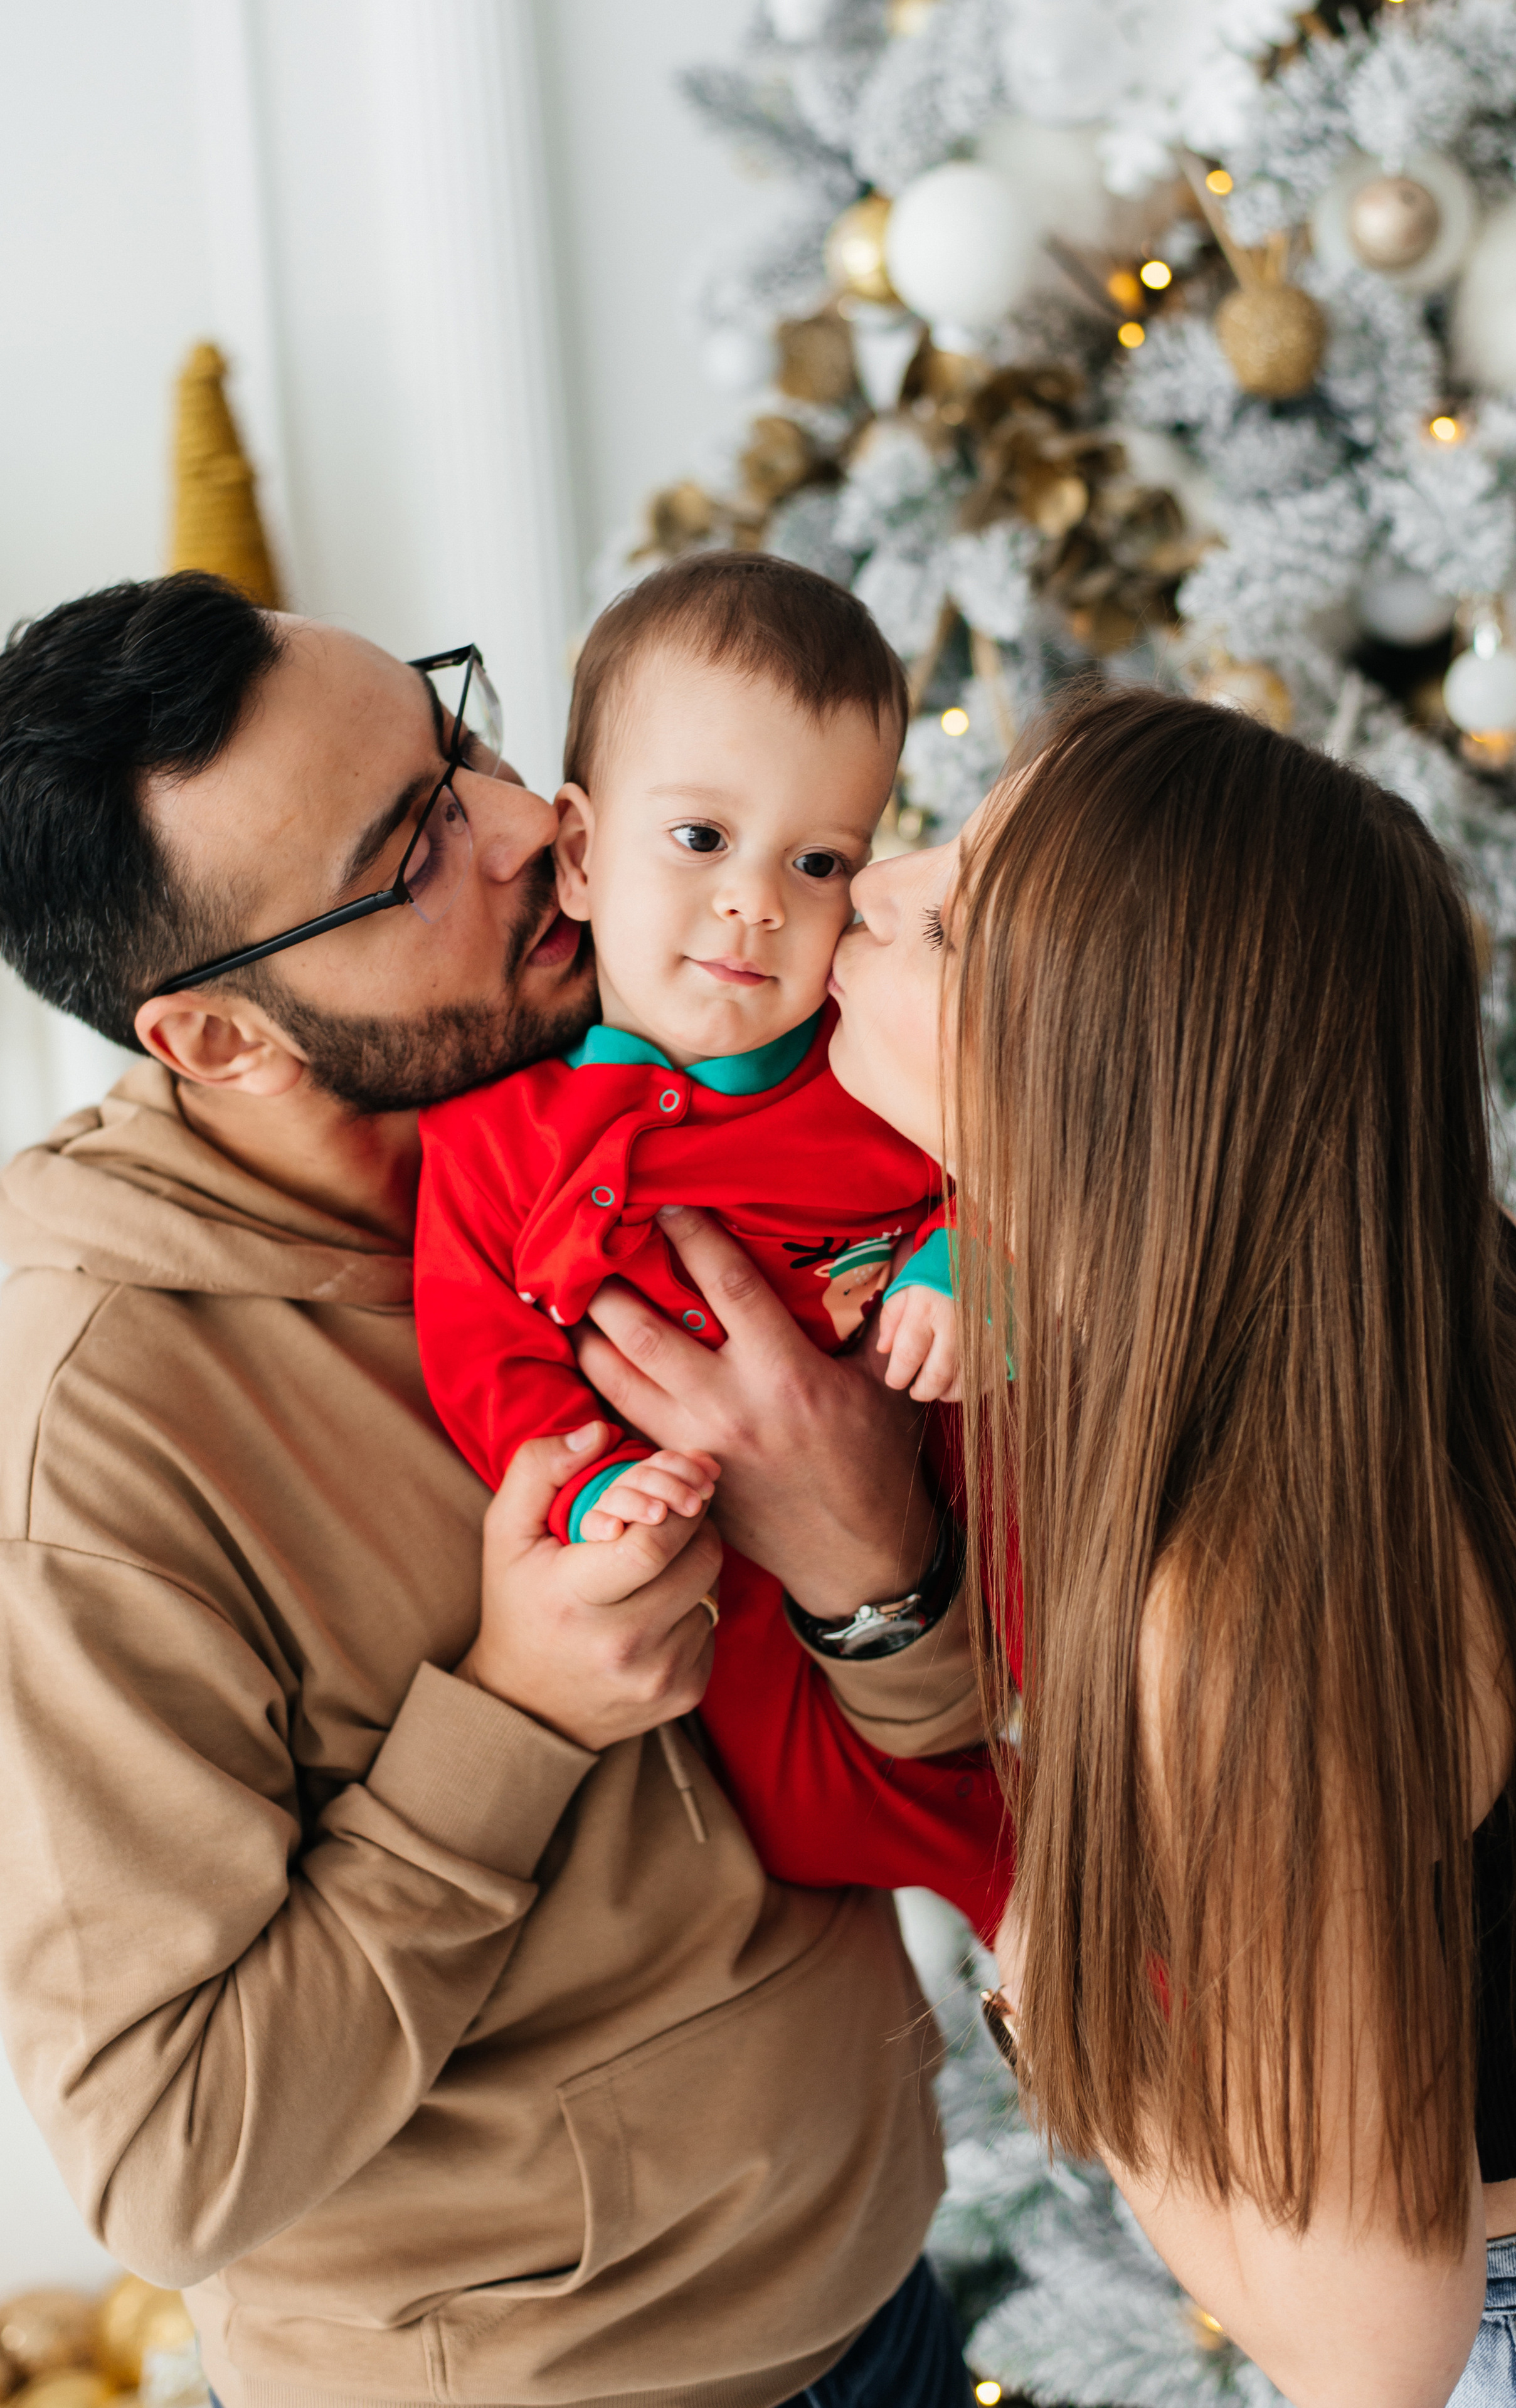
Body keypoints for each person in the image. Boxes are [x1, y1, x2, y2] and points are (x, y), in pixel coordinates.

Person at [0, 571, 985, 2408]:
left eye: (461, 738)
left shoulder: (681, 1114)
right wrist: (516, 1720)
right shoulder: (84, 1448)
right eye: (412, 850)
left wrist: (877, 1566)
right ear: (216, 1036)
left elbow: (937, 1728)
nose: (542, 825)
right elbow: (172, 2165)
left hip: (882, 2299)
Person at [807, 680, 1516, 2406]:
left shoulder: (1245, 1609)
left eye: (943, 922)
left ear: (1089, 1086)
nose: (870, 885)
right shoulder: (1429, 1270)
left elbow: (1375, 2345)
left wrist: (1050, 2006)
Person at [413, 552, 1005, 1936]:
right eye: (700, 841)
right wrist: (585, 1483)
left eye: (818, 863)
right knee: (809, 1818)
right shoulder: (494, 1135)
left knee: (1063, 1802)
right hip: (725, 1588)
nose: (757, 903)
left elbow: (1032, 1175)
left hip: (982, 1541)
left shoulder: (873, 1066)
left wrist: (972, 1266)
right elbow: (480, 1349)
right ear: (575, 852)